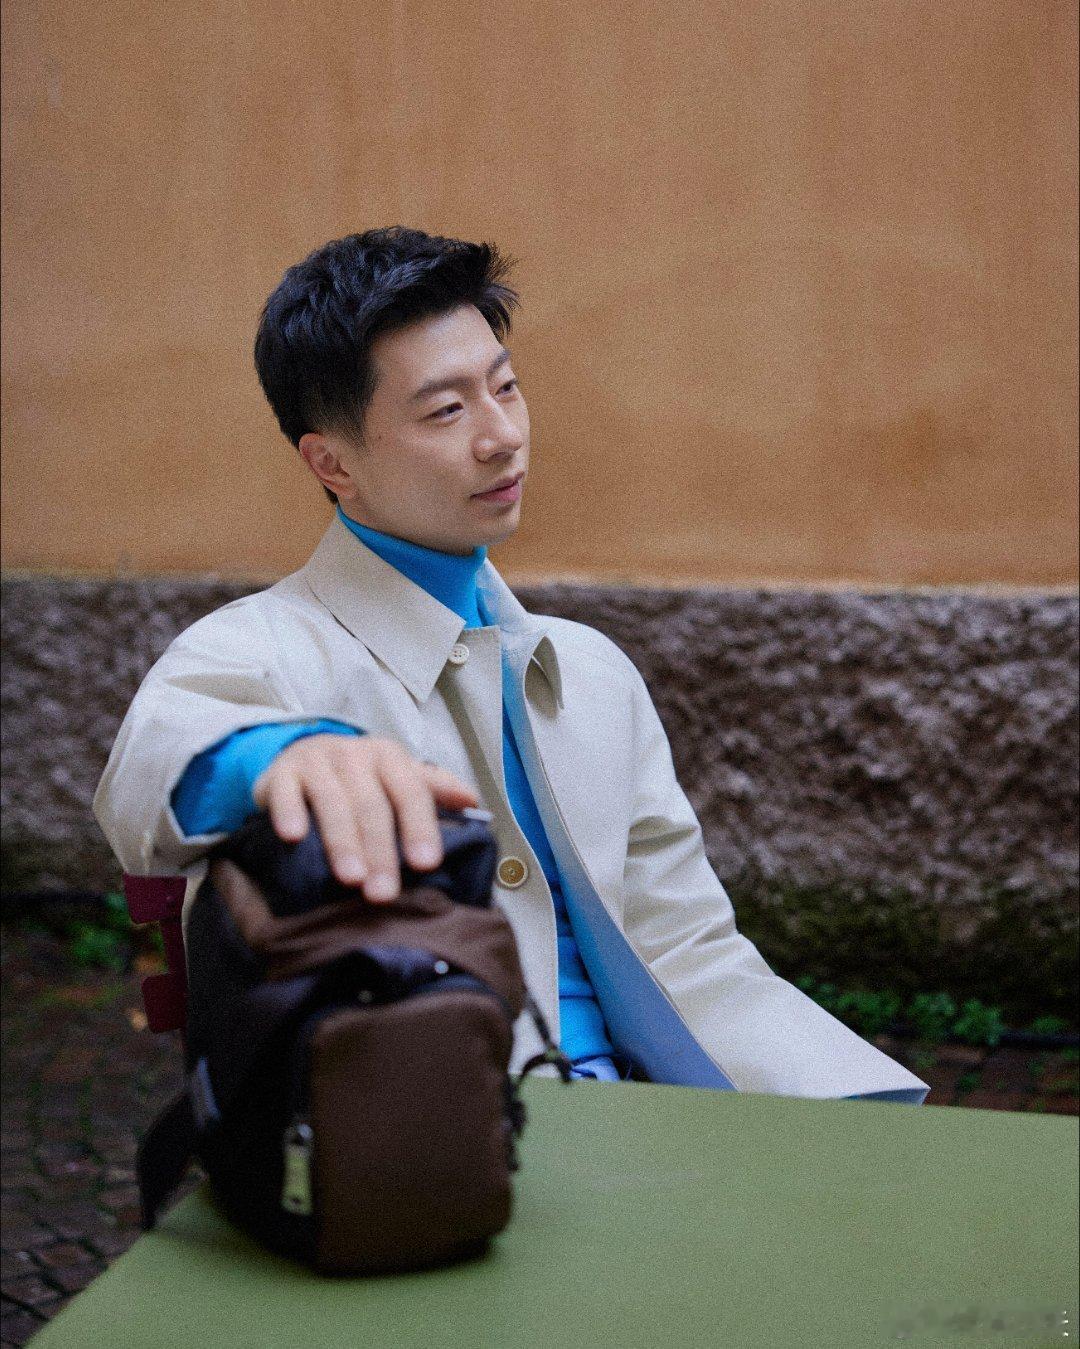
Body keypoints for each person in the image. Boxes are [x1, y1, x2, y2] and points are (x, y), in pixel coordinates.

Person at [94, 227, 927, 1101]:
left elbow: (690, 951)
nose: (501, 436)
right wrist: (284, 758)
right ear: (332, 461)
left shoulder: (592, 672)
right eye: (446, 411)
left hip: (658, 1119)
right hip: (436, 1134)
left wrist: (854, 1117)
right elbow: (151, 770)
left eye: (505, 387)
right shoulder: (259, 650)